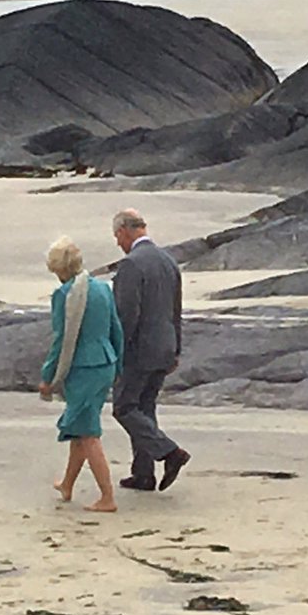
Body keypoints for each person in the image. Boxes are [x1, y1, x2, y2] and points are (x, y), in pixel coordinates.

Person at [39, 236, 124, 513]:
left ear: (59, 268)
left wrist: (48, 376)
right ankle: (67, 484)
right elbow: (116, 329)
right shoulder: (102, 289)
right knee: (80, 426)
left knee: (88, 434)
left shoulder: (64, 296)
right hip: (105, 362)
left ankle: (107, 497)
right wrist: (119, 364)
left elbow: (61, 339)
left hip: (83, 368)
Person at [110, 208, 190, 492]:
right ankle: (143, 474)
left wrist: (116, 351)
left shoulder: (132, 265)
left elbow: (126, 315)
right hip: (165, 346)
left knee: (124, 407)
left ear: (124, 231)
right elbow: (175, 310)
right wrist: (176, 348)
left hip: (140, 350)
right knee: (145, 407)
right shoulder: (169, 261)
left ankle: (169, 452)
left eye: (117, 236)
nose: (118, 243)